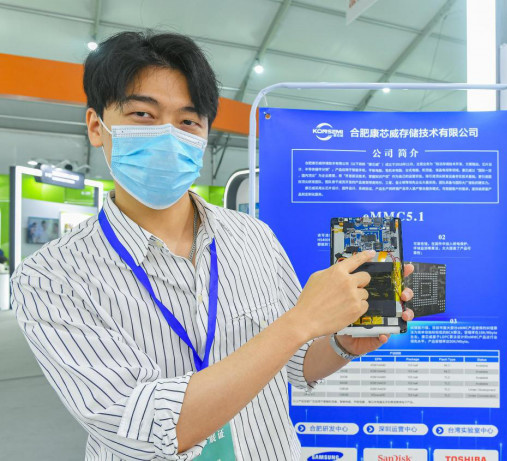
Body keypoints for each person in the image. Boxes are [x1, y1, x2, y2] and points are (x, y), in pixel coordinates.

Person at [11, 31, 415, 460]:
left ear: (204, 134)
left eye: (188, 121)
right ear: (97, 126)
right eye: (143, 114)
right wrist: (299, 321)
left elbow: (294, 364)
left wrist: (339, 346)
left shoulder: (253, 237)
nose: (168, 135)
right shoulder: (51, 278)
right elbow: (142, 431)